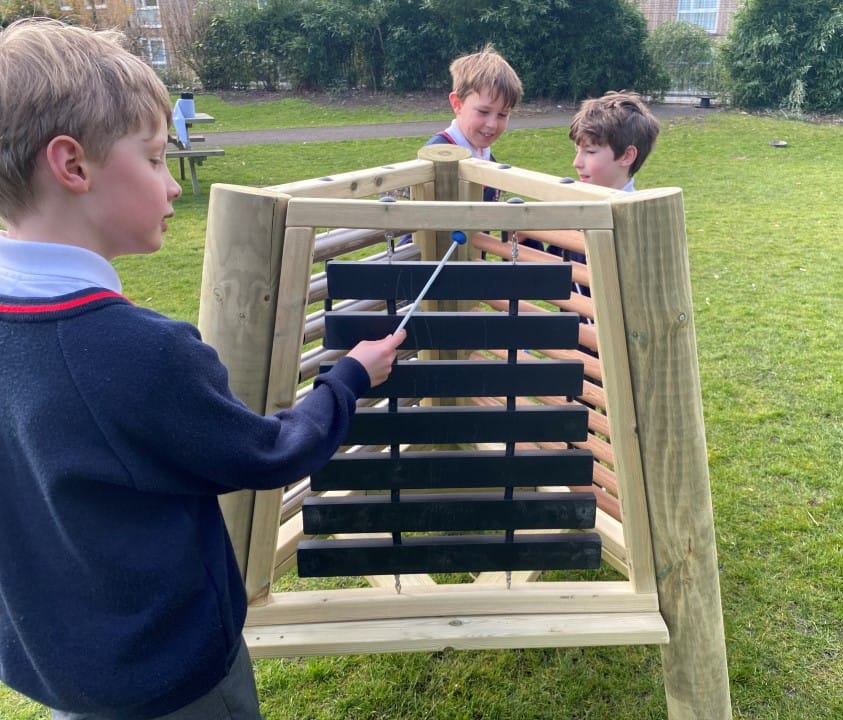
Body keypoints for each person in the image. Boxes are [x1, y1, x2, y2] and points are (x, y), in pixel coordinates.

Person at [0, 18, 404, 720]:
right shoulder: (142, 352)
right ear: (73, 165)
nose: (175, 186)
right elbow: (272, 451)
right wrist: (350, 377)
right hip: (174, 682)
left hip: (64, 672)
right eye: (155, 159)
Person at [533, 91, 661, 296]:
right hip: (578, 328)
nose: (576, 163)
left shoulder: (637, 227)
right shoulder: (577, 214)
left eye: (590, 152)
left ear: (627, 156)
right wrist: (525, 238)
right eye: (577, 151)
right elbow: (551, 280)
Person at [425, 43, 523, 202]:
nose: (492, 124)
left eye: (502, 114)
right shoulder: (437, 156)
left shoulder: (486, 156)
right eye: (483, 112)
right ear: (457, 104)